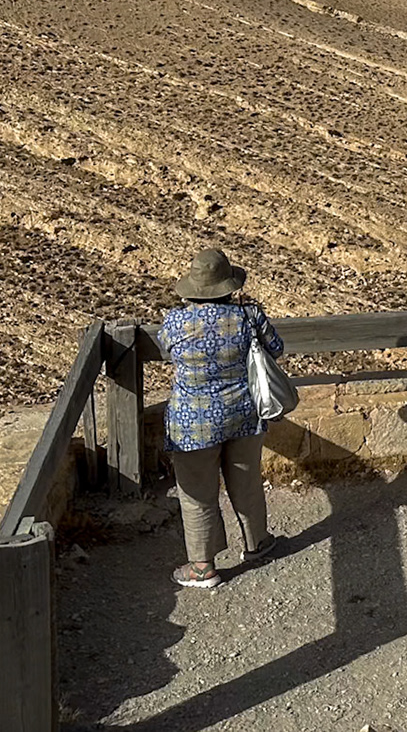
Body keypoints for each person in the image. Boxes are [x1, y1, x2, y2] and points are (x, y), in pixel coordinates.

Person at [156, 247, 283, 589]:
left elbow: (165, 349)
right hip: (244, 414)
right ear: (229, 286)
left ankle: (202, 568)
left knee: (197, 493)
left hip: (191, 423)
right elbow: (276, 348)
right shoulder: (249, 316)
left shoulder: (175, 322)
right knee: (247, 482)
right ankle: (258, 544)